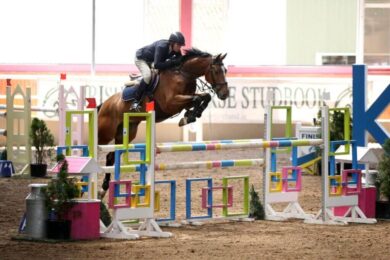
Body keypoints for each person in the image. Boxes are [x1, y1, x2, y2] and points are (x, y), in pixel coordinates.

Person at [131, 31, 186, 110]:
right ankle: (136, 101)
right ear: (172, 43)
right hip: (141, 59)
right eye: (178, 45)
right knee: (147, 76)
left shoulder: (176, 49)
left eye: (180, 46)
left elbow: (180, 61)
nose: (179, 48)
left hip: (152, 61)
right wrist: (172, 62)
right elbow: (157, 65)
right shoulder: (162, 46)